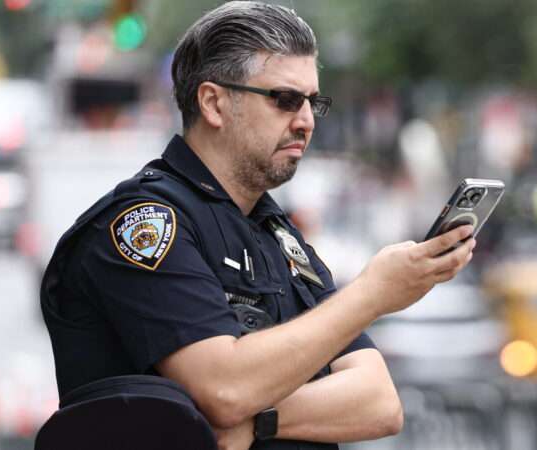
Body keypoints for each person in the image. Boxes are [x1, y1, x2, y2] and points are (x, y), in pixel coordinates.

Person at [40, 2, 476, 449]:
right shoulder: (144, 223)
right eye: (285, 100)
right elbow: (225, 389)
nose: (305, 121)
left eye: (313, 102)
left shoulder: (275, 232)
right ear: (214, 102)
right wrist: (372, 294)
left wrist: (260, 420)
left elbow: (378, 403)